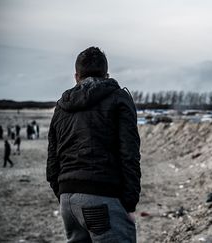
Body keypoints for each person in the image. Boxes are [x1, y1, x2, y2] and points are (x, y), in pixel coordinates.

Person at [46, 47, 141, 243]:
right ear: (106, 75)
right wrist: (129, 205)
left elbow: (52, 160)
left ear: (76, 76)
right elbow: (129, 154)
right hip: (103, 197)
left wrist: (64, 192)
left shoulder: (61, 106)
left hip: (67, 200)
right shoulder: (118, 99)